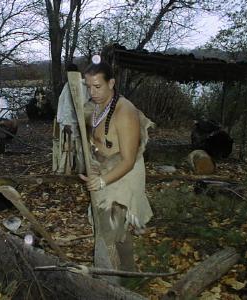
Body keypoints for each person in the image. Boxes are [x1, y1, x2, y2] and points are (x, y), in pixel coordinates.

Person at [79, 60, 153, 285]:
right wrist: (93, 163)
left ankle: (113, 286)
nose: (92, 93)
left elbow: (129, 160)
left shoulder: (125, 112)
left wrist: (102, 182)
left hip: (125, 175)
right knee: (116, 228)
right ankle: (131, 276)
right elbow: (99, 143)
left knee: (109, 231)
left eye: (97, 87)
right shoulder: (98, 106)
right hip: (106, 169)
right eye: (88, 87)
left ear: (111, 83)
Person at [54, 63, 89, 175]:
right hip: (74, 121)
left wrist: (67, 123)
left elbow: (69, 106)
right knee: (73, 146)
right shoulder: (72, 85)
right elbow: (63, 103)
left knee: (70, 146)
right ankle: (78, 169)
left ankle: (65, 170)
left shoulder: (79, 85)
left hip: (73, 122)